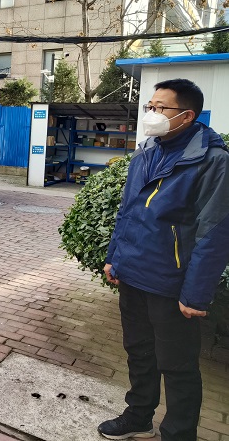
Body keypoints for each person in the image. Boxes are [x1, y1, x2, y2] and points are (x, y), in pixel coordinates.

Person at [99, 79, 229, 441]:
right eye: (150, 106)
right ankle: (139, 416)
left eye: (160, 108)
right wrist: (114, 258)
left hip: (171, 283)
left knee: (178, 365)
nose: (152, 114)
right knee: (139, 351)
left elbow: (214, 232)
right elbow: (128, 211)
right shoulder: (146, 151)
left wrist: (195, 294)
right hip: (133, 273)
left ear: (187, 116)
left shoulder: (212, 162)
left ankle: (178, 433)